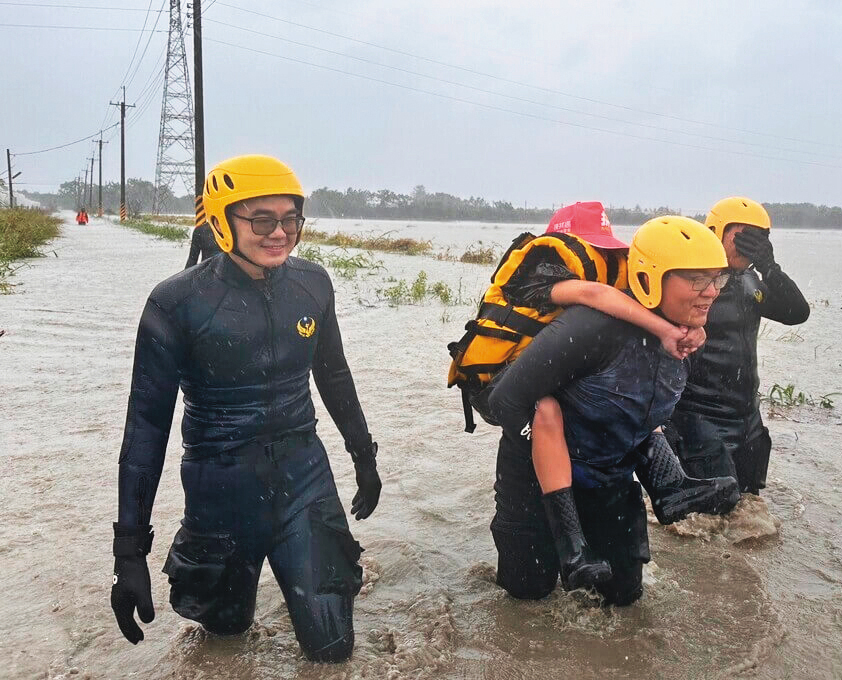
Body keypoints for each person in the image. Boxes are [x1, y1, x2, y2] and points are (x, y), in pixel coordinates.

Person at [109, 155, 381, 663]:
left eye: (290, 219)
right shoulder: (176, 303)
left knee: (332, 652)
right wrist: (129, 552)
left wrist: (364, 457)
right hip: (221, 489)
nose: (279, 233)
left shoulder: (314, 284)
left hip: (305, 478)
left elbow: (335, 375)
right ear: (220, 220)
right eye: (261, 219)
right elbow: (146, 429)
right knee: (226, 644)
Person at [448, 203, 711, 589]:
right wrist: (663, 328)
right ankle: (569, 541)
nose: (602, 260)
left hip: (600, 456)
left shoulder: (627, 310)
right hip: (526, 423)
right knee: (528, 590)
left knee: (617, 593)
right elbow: (592, 293)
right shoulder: (547, 277)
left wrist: (687, 329)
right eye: (595, 251)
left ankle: (670, 486)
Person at [664, 197, 809, 506]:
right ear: (716, 232)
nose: (748, 244)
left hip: (746, 418)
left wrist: (770, 267)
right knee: (713, 513)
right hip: (698, 416)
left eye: (757, 237)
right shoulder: (688, 281)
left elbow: (796, 312)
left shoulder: (750, 282)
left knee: (749, 506)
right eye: (741, 235)